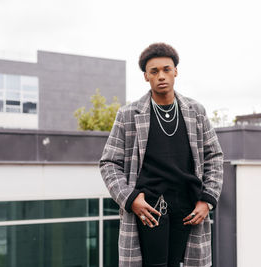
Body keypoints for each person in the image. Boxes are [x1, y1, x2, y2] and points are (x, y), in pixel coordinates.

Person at [99, 43, 223, 267]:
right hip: (148, 208)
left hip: (189, 207)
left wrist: (208, 200)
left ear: (176, 71)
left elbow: (214, 156)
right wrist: (130, 198)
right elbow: (109, 163)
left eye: (166, 69)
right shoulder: (129, 115)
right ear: (146, 76)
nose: (161, 76)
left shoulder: (196, 111)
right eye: (154, 71)